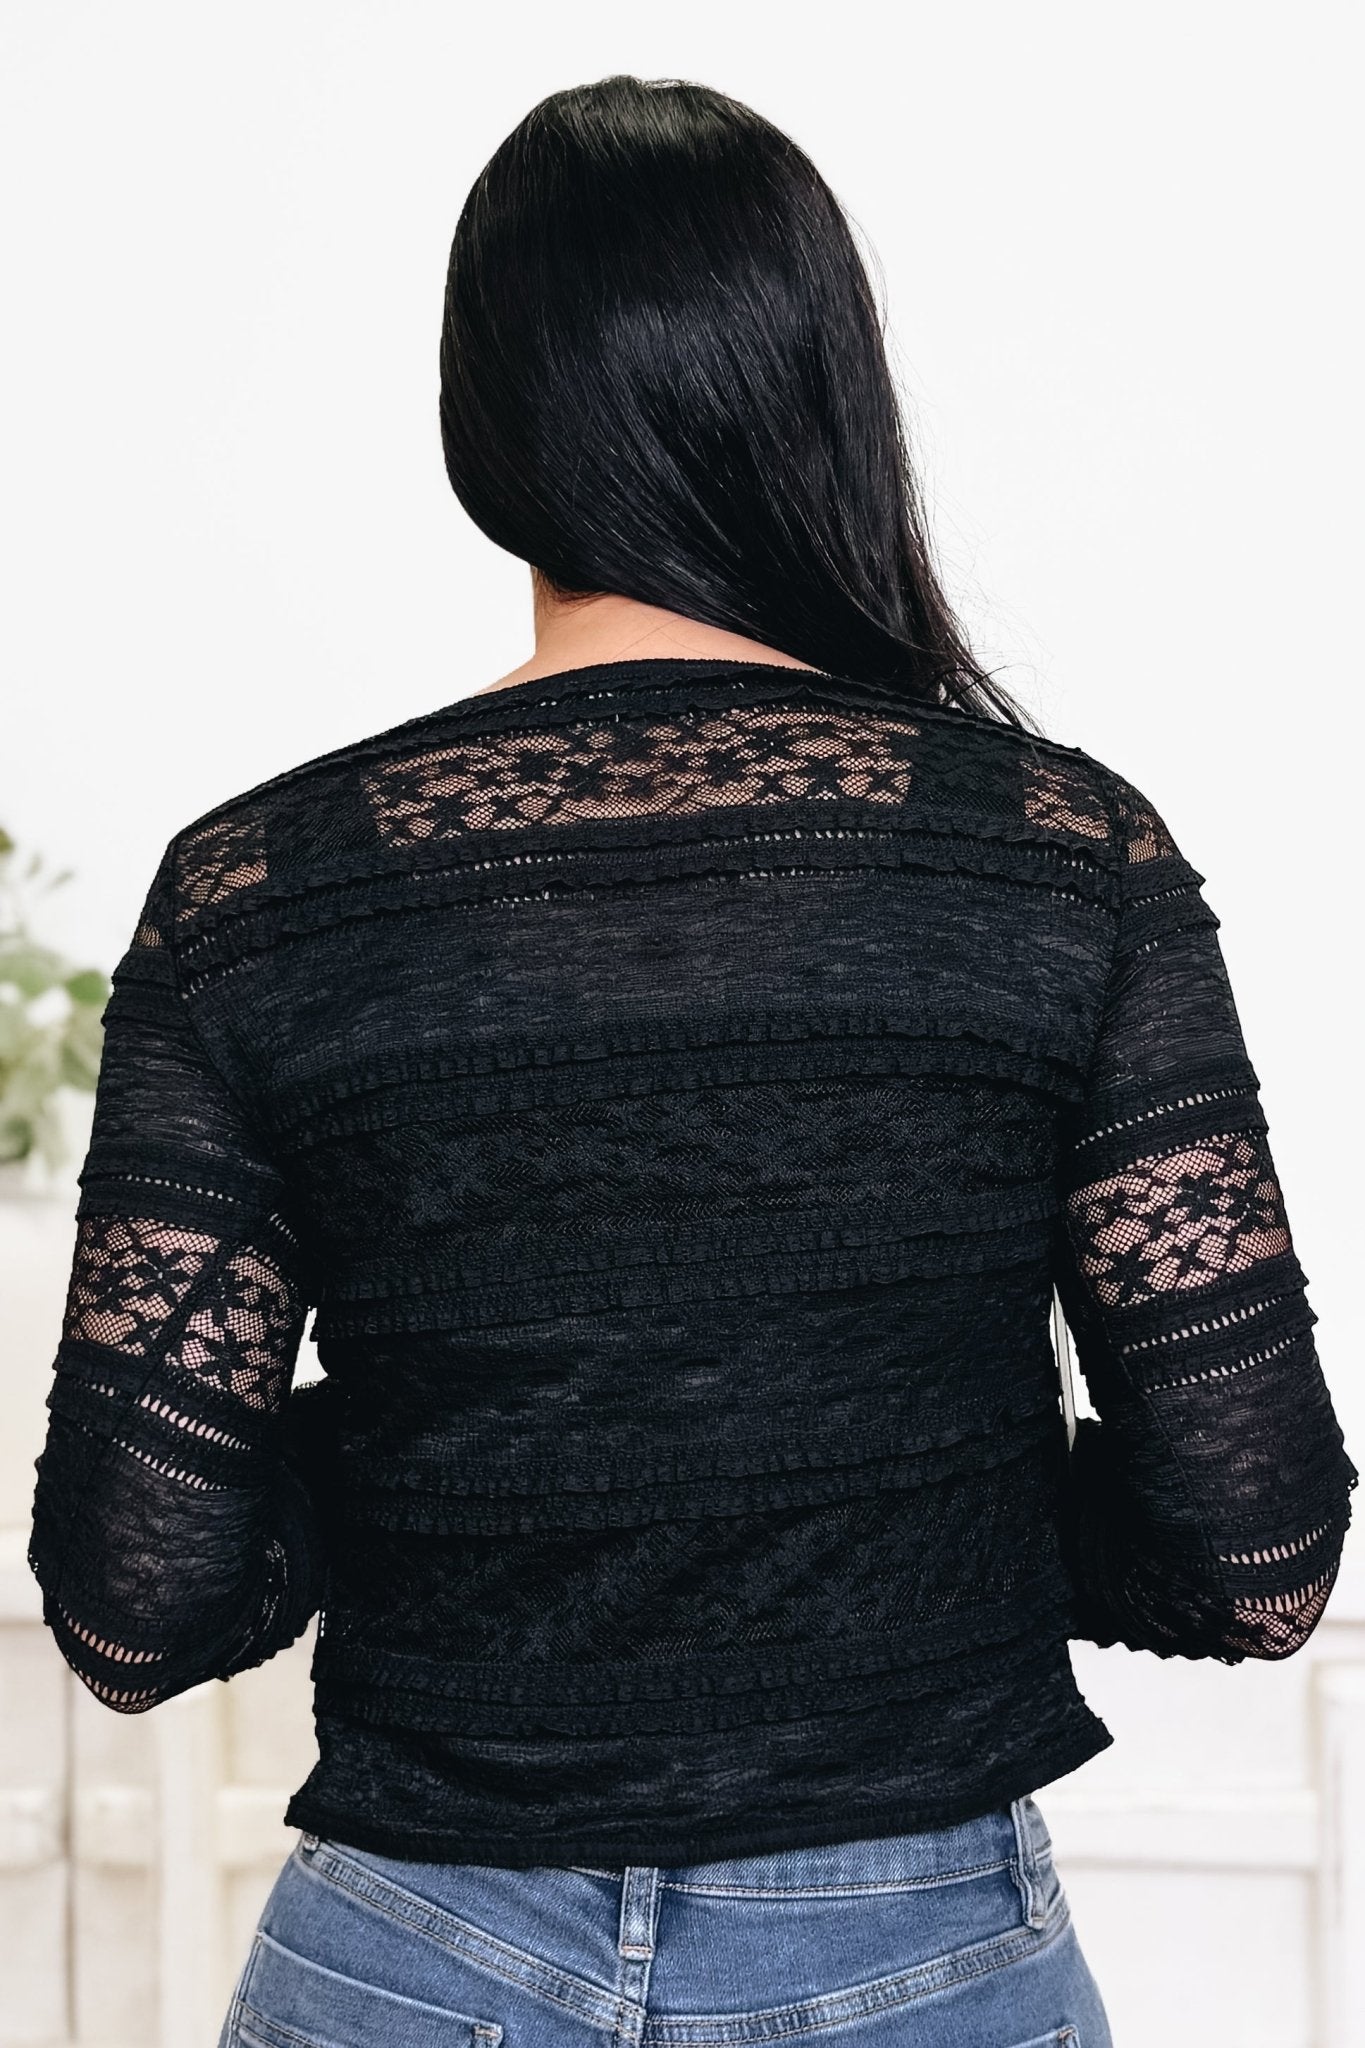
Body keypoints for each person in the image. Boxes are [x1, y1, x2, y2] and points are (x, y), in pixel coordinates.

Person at [28, 74, 1356, 2048]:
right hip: (915, 1955)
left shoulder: (257, 888)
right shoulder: (1064, 856)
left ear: (482, 418)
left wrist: (459, 1449)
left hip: (409, 1958)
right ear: (821, 390)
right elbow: (1251, 1549)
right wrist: (911, 1476)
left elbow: (136, 1598)